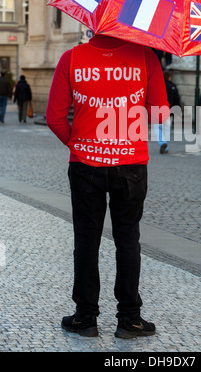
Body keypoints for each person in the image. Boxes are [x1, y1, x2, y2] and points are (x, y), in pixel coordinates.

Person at [46, 34, 169, 339]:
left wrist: (76, 142)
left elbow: (54, 117)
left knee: (86, 240)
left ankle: (85, 317)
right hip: (131, 164)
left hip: (86, 164)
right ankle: (129, 318)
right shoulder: (147, 58)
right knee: (127, 240)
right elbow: (161, 114)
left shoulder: (71, 59)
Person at [154, 70, 180, 154]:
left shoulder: (157, 85)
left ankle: (162, 142)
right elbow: (177, 100)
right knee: (166, 129)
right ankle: (166, 147)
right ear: (169, 77)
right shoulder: (173, 86)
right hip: (169, 110)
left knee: (157, 128)